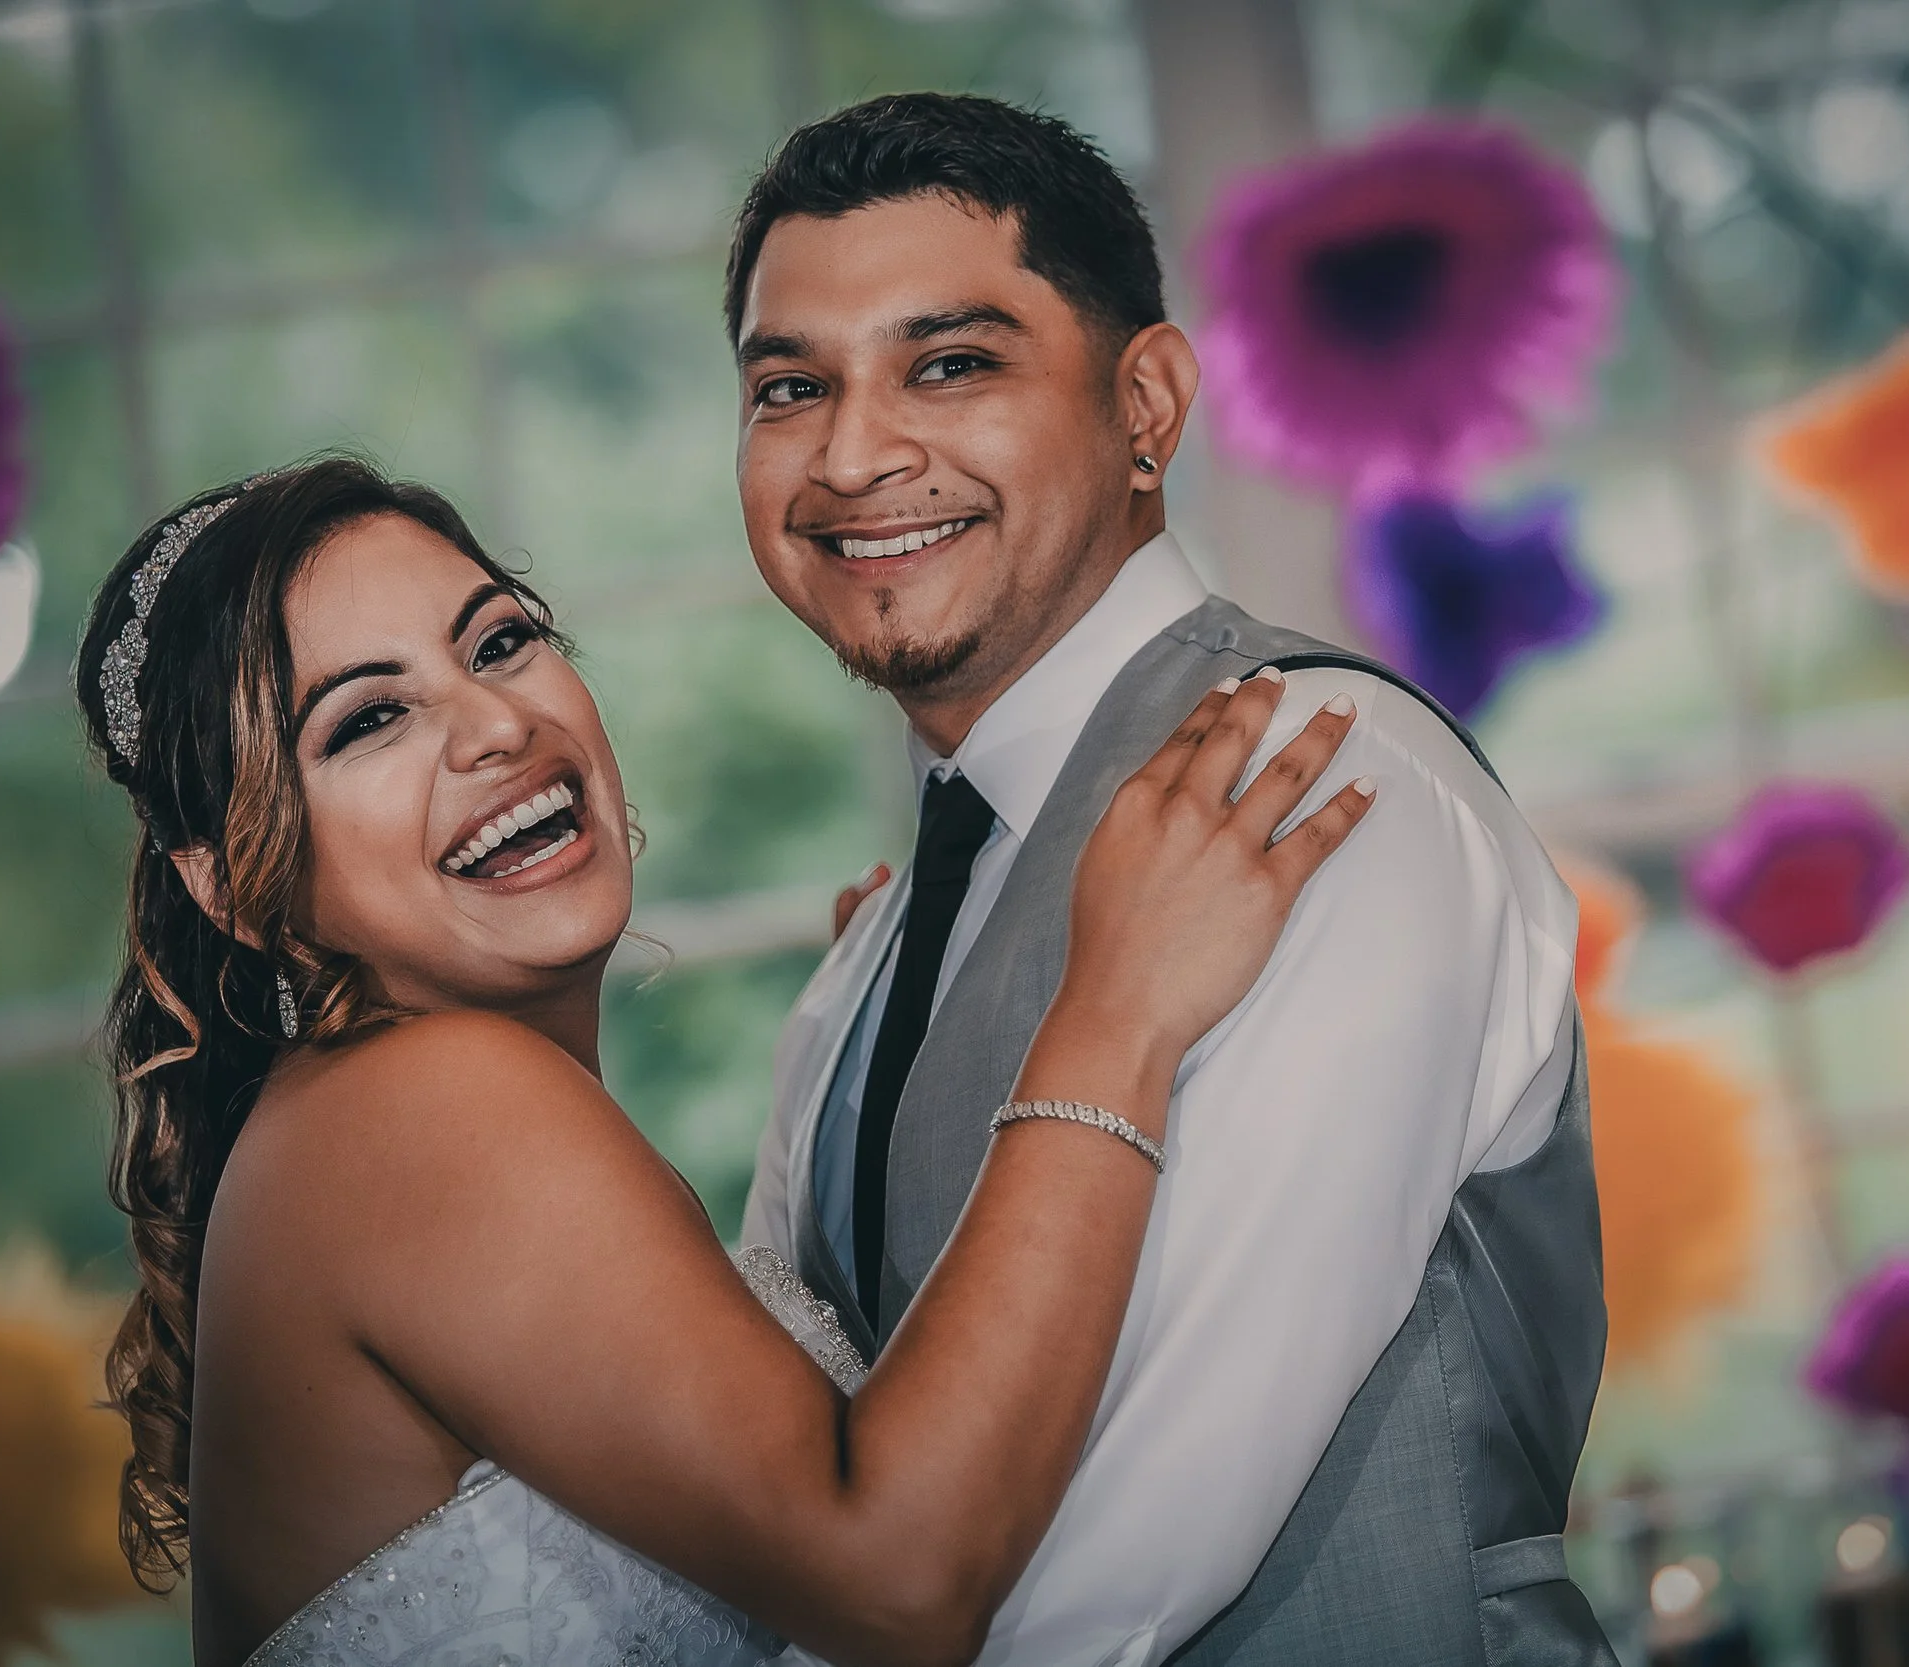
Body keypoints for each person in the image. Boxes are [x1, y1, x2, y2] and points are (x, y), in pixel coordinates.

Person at [78, 456, 1374, 1666]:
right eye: (367, 720)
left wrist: (857, 1050)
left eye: (500, 640)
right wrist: (1120, 1002)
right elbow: (897, 1573)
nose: (492, 725)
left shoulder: (369, 1119)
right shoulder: (415, 1102)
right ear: (231, 887)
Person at [731, 95, 1616, 1665]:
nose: (853, 453)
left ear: (1145, 401)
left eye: (950, 362)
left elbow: (1099, 1578)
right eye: (792, 387)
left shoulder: (1319, 784)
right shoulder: (875, 960)